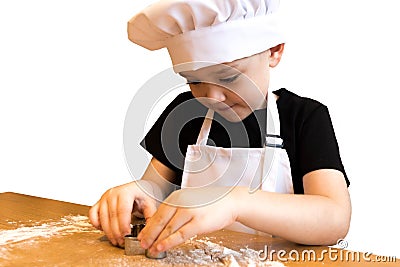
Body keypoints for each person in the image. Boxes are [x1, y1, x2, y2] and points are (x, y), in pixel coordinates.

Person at [89, 0, 351, 256]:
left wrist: (235, 202)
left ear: (274, 51)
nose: (211, 97)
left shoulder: (305, 117)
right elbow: (156, 191)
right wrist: (139, 195)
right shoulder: (184, 114)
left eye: (228, 77)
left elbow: (334, 219)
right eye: (194, 81)